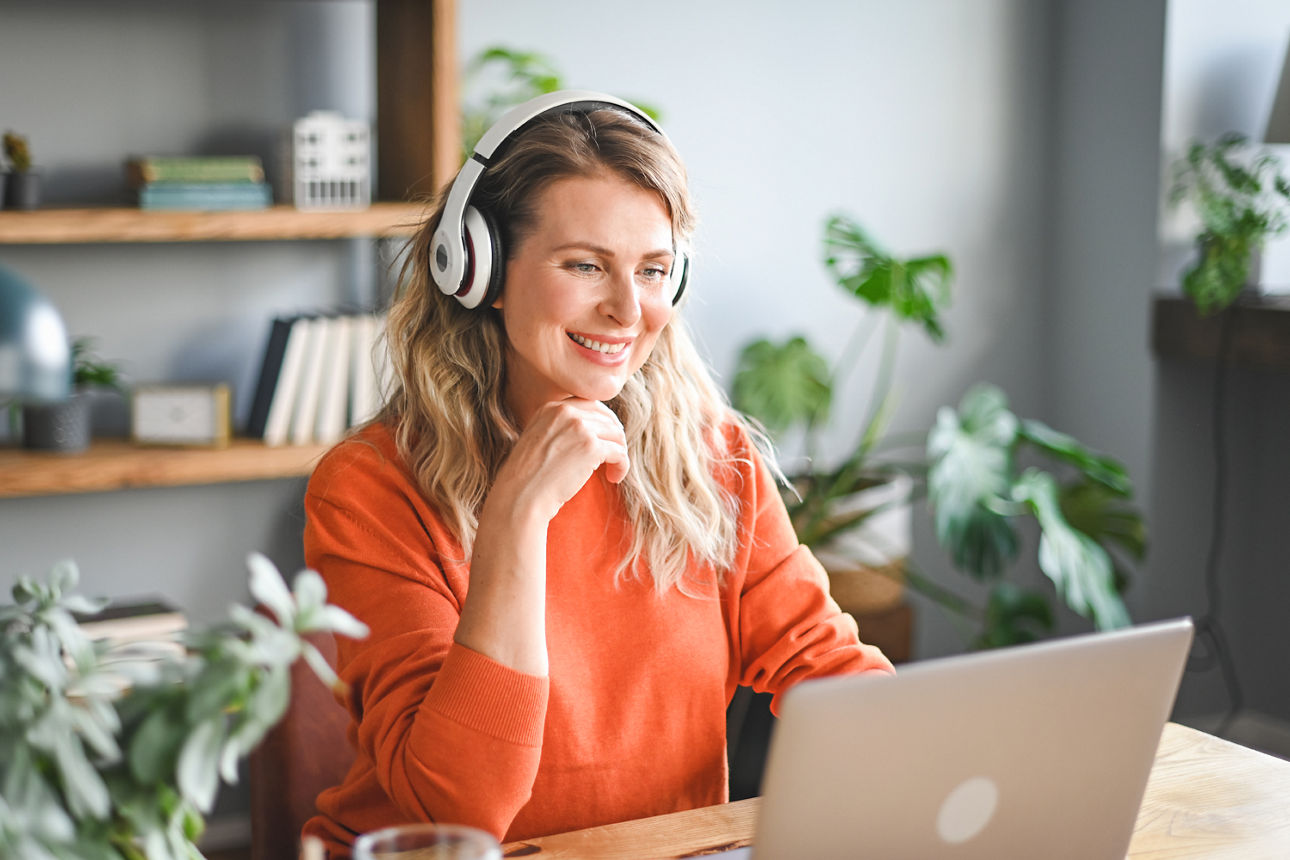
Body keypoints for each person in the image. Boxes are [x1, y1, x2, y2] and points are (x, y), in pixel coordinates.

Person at [301, 90, 894, 855]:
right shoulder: (369, 489)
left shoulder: (714, 461)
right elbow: (456, 811)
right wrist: (517, 517)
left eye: (652, 271)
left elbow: (829, 667)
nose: (627, 309)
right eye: (585, 265)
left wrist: (941, 770)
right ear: (478, 271)